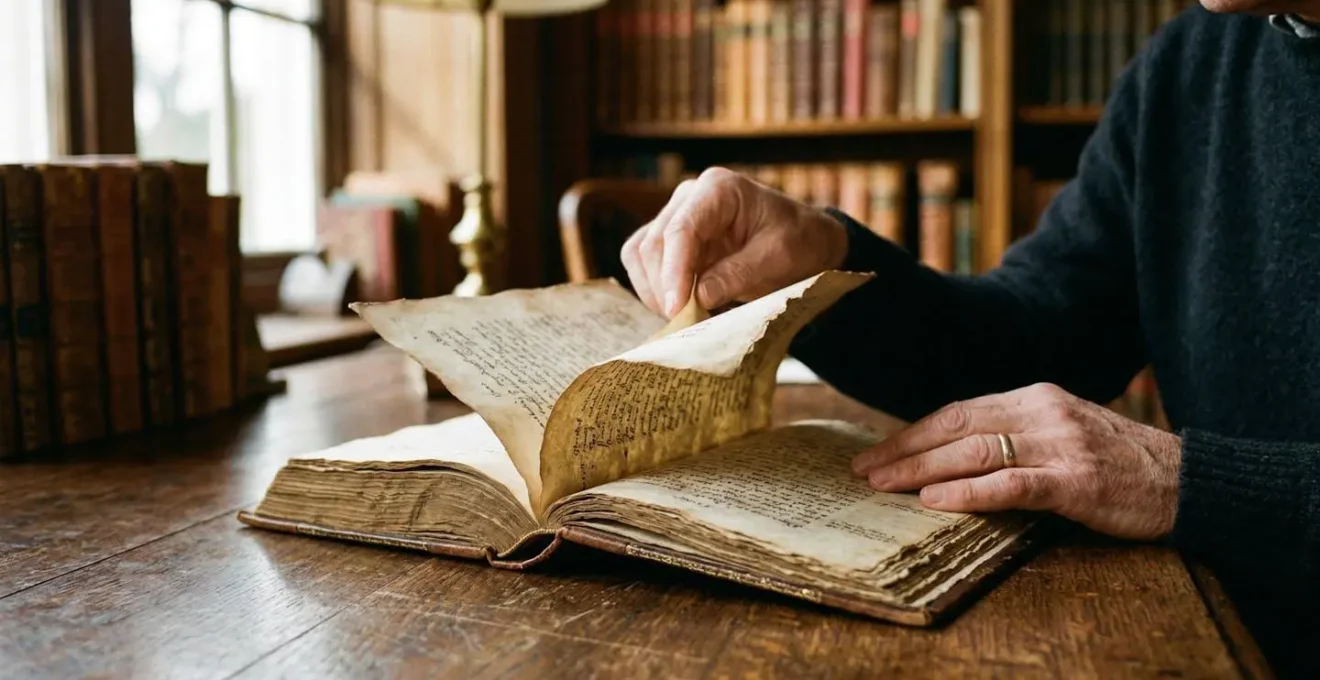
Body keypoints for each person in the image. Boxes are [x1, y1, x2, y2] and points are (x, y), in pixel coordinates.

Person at [620, 1, 1320, 675]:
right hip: (1220, 629)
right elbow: (1033, 343)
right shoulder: (1190, 65)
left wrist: (1185, 484)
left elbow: (1179, 481)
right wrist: (824, 262)